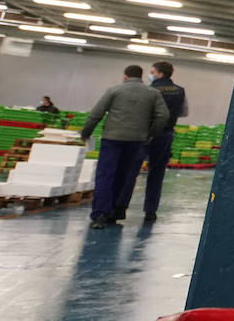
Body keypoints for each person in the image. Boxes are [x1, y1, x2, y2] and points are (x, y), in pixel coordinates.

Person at [79, 64, 168, 230]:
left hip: (112, 139)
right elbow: (163, 116)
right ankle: (117, 212)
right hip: (137, 140)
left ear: (125, 76)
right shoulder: (153, 93)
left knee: (105, 175)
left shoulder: (114, 90)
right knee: (127, 176)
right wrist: (150, 133)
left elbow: (96, 114)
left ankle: (100, 214)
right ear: (141, 76)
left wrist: (85, 133)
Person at [113, 61, 188, 223]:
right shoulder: (180, 91)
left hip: (144, 134)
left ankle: (120, 207)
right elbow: (183, 112)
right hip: (166, 135)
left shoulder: (149, 90)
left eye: (152, 72)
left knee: (131, 171)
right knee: (157, 173)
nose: (150, 75)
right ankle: (150, 211)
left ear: (160, 74)